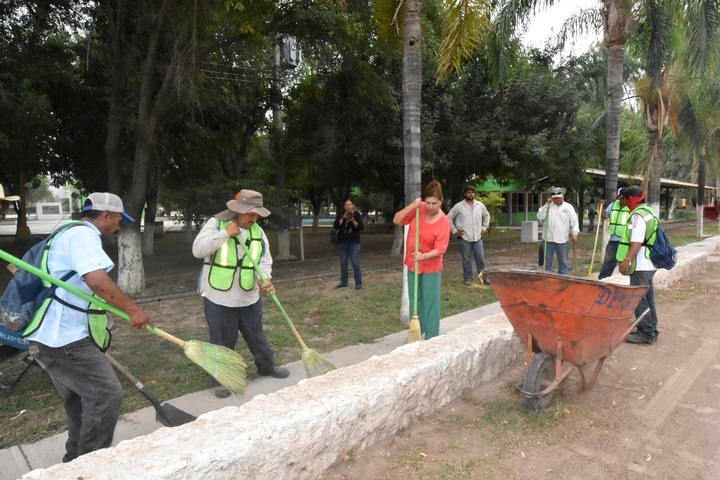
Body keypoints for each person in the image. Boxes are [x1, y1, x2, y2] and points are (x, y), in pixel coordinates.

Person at [25, 192, 153, 463]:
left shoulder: (67, 232)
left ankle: (74, 461)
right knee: (106, 395)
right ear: (105, 215)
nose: (120, 226)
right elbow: (98, 281)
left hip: (52, 335)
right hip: (65, 338)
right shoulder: (84, 236)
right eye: (120, 219)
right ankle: (91, 464)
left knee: (80, 399)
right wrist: (134, 310)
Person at [192, 189, 289, 398]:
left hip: (248, 295)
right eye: (251, 214)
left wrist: (265, 278)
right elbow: (198, 250)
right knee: (222, 340)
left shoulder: (257, 232)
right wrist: (226, 233)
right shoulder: (216, 224)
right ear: (239, 210)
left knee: (256, 335)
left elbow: (265, 259)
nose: (254, 220)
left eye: (257, 216)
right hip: (219, 297)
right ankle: (222, 379)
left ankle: (267, 366)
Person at [393, 180, 451, 340]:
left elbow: (441, 249)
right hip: (413, 263)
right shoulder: (419, 209)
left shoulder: (444, 222)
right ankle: (417, 332)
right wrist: (413, 205)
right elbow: (397, 220)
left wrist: (424, 255)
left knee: (430, 301)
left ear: (441, 202)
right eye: (428, 202)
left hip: (431, 265)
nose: (431, 207)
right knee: (415, 300)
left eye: (434, 203)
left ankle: (431, 337)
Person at [616, 186, 659, 345]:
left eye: (625, 199)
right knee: (648, 298)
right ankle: (650, 328)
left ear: (631, 199)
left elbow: (637, 242)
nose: (624, 203)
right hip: (650, 263)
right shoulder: (649, 211)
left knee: (637, 299)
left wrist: (626, 260)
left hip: (641, 265)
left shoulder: (638, 216)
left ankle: (647, 333)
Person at [447, 184, 491, 286]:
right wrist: (454, 230)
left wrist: (484, 227)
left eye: (472, 192)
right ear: (465, 194)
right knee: (466, 259)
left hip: (477, 237)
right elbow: (448, 217)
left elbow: (486, 215)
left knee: (480, 258)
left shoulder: (479, 205)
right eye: (468, 192)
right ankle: (468, 278)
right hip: (464, 237)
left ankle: (484, 277)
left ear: (474, 194)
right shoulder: (459, 206)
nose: (470, 194)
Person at [537, 187, 579, 275]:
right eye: (555, 198)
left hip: (562, 239)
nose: (557, 199)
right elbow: (540, 217)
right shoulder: (548, 207)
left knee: (563, 262)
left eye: (559, 197)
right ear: (552, 197)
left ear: (563, 196)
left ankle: (563, 278)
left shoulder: (568, 207)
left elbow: (574, 221)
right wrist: (546, 205)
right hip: (548, 239)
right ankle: (547, 278)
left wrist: (574, 233)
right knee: (547, 262)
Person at [597, 188, 630, 279]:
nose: (622, 200)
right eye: (620, 198)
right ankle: (602, 280)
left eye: (624, 198)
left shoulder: (631, 207)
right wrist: (601, 207)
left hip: (626, 241)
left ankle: (627, 281)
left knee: (626, 263)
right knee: (608, 262)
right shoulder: (613, 205)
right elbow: (604, 216)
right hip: (613, 240)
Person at [333, 199, 364, 290]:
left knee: (355, 262)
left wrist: (352, 220)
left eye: (350, 205)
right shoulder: (341, 214)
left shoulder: (357, 215)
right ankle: (344, 281)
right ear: (344, 207)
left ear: (353, 206)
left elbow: (361, 227)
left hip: (354, 243)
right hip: (343, 243)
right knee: (343, 263)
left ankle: (358, 283)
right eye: (346, 205)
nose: (348, 207)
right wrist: (342, 218)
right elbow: (335, 226)